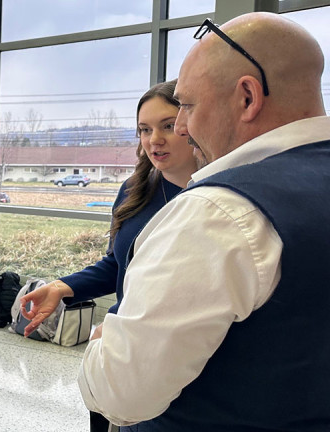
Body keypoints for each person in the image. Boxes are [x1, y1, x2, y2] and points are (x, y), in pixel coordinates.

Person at [72, 12, 330, 431]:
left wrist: (101, 345)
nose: (183, 127)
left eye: (188, 107)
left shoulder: (219, 213)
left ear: (247, 97)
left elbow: (122, 393)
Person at [19, 79, 200, 431]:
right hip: (118, 348)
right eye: (144, 129)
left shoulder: (217, 197)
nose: (154, 140)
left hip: (178, 358)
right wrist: (61, 287)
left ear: (191, 125)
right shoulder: (135, 190)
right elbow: (118, 265)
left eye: (167, 126)